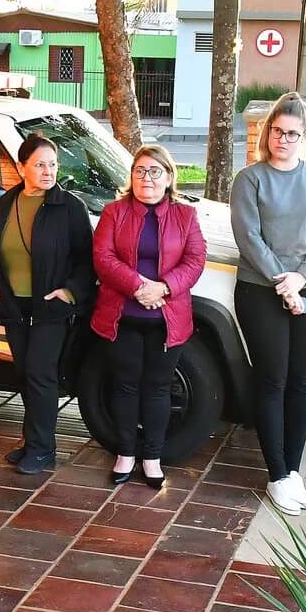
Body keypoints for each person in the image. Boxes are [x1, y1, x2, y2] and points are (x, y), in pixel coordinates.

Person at [231, 94, 306, 514]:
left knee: (301, 381)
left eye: (293, 133)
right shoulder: (250, 179)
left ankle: (293, 470)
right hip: (260, 289)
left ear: (304, 137)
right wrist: (284, 282)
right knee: (272, 380)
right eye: (278, 131)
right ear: (268, 131)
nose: (284, 139)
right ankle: (276, 474)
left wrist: (301, 279)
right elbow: (249, 238)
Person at [90, 144, 207, 489]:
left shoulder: (186, 216)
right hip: (121, 316)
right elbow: (103, 257)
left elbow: (195, 260)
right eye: (140, 171)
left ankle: (152, 457)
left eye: (155, 171)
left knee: (157, 389)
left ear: (169, 177)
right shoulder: (114, 212)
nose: (147, 178)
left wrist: (163, 288)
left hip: (167, 320)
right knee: (125, 386)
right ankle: (125, 453)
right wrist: (138, 286)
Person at [0, 133, 96, 475]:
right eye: (40, 165)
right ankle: (32, 442)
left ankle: (43, 449)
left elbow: (86, 260)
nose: (48, 172)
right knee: (25, 373)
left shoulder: (69, 207)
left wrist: (69, 293)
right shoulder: (5, 204)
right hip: (14, 307)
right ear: (21, 167)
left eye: (53, 165)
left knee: (41, 375)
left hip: (51, 308)